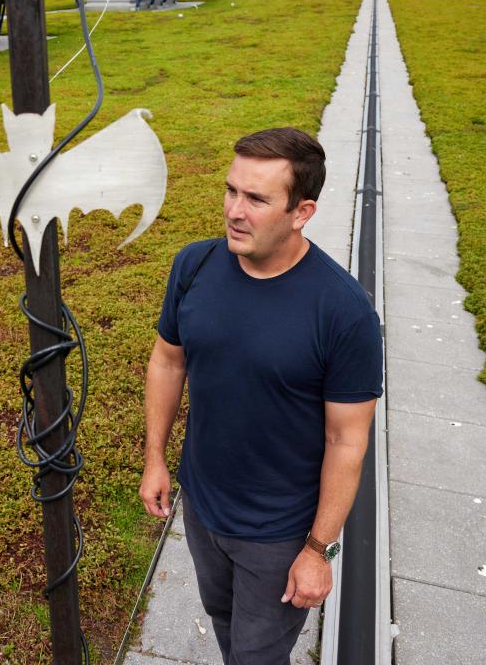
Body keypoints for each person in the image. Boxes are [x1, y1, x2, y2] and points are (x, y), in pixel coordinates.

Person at [140, 127, 383, 663]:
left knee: (257, 656)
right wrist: (155, 458)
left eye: (256, 199)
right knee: (225, 624)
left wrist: (318, 550)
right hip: (202, 506)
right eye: (231, 191)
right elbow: (168, 359)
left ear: (303, 212)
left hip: (278, 533)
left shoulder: (344, 313)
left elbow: (347, 440)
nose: (234, 211)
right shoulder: (195, 265)